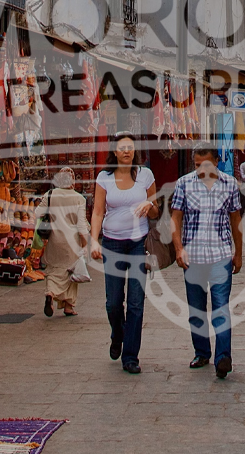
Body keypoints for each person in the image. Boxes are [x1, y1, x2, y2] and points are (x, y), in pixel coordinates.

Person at [172, 142, 244, 378]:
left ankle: (223, 357)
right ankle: (202, 352)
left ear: (216, 162)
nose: (201, 169)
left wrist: (238, 252)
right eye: (196, 165)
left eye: (206, 164)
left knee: (221, 307)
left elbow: (235, 220)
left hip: (220, 256)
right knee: (196, 309)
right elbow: (176, 218)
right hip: (193, 258)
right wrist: (178, 248)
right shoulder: (184, 183)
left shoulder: (229, 184)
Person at [89, 133, 157, 374]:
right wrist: (94, 241)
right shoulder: (104, 178)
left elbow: (156, 209)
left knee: (136, 303)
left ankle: (131, 356)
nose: (127, 151)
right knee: (114, 303)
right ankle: (118, 335)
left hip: (139, 244)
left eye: (130, 147)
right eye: (122, 148)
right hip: (113, 244)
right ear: (115, 152)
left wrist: (149, 205)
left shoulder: (145, 175)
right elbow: (98, 211)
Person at [36, 169, 87, 317]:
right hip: (72, 242)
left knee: (53, 270)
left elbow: (38, 213)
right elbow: (82, 225)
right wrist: (86, 244)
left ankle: (50, 293)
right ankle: (69, 306)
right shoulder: (79, 199)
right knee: (71, 272)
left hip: (54, 240)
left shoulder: (50, 195)